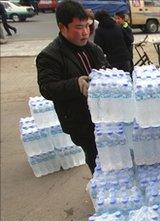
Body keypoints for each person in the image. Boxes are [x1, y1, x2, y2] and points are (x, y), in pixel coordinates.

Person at [36, 0, 109, 173]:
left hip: (105, 116)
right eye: (78, 27)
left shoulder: (94, 49)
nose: (85, 32)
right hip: (80, 120)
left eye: (87, 26)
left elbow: (107, 69)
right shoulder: (50, 56)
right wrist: (75, 84)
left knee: (112, 156)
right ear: (62, 27)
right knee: (96, 160)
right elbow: (47, 88)